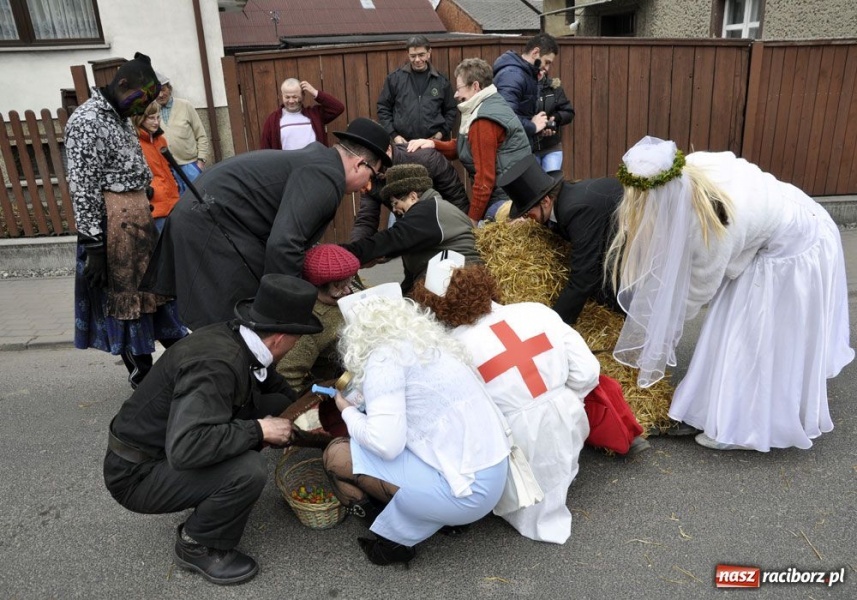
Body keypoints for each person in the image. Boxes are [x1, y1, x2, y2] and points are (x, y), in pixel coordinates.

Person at [607, 136, 854, 452]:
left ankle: (745, 427)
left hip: (796, 244)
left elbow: (692, 297)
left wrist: (656, 342)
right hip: (786, 213)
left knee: (751, 334)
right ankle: (718, 403)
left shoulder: (711, 234)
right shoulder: (691, 168)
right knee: (733, 325)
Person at [104, 274, 323, 585]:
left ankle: (209, 494)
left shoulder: (242, 338)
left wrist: (310, 414)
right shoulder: (217, 364)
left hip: (161, 449)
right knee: (248, 469)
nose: (298, 345)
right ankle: (197, 544)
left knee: (271, 403)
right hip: (136, 473)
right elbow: (187, 447)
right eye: (299, 338)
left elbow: (273, 387)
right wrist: (259, 431)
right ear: (280, 338)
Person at [410, 259, 598, 544]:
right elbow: (588, 372)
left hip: (513, 435)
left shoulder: (452, 348)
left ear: (437, 308)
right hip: (568, 418)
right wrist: (563, 400)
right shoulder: (537, 311)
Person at [142, 117, 393, 330]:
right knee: (231, 321)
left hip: (214, 217)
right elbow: (284, 244)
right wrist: (294, 310)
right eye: (371, 176)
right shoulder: (327, 176)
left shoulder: (321, 163)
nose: (367, 187)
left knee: (245, 314)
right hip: (209, 222)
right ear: (360, 163)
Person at [322, 284, 510, 566]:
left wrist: (347, 411)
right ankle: (433, 516)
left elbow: (386, 445)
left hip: (464, 493)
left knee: (336, 455)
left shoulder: (384, 356)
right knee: (378, 450)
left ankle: (391, 535)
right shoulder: (429, 344)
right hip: (491, 476)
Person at [64, 52, 186, 389]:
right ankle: (145, 385)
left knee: (157, 301)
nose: (141, 108)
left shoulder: (119, 115)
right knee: (130, 309)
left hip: (139, 222)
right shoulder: (87, 120)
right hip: (112, 231)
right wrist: (94, 246)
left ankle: (185, 373)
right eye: (139, 98)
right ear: (122, 84)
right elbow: (83, 186)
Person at [498, 153, 623, 326]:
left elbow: (583, 278)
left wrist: (553, 325)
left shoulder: (575, 210)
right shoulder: (562, 200)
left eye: (528, 212)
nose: (527, 218)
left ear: (546, 201)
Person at [408, 58, 531, 224]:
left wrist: (472, 220)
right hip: (517, 194)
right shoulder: (491, 103)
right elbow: (466, 146)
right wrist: (434, 144)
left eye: (459, 88)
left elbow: (484, 181)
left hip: (505, 201)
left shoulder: (483, 121)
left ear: (475, 86)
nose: (456, 94)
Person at [342, 164, 481, 294]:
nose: (395, 209)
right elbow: (411, 277)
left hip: (461, 285)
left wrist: (345, 253)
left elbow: (391, 239)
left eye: (396, 203)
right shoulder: (427, 216)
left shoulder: (429, 210)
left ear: (413, 197)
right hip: (448, 282)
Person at [276, 244, 360, 396]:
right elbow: (288, 376)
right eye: (338, 286)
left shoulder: (342, 296)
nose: (348, 290)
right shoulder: (314, 323)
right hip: (339, 387)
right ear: (316, 286)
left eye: (350, 280)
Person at [350, 143, 468, 242]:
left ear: (389, 150)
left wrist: (464, 234)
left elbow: (457, 198)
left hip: (446, 223)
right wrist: (355, 252)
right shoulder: (370, 176)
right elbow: (366, 219)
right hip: (411, 228)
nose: (377, 170)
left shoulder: (427, 159)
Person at [376, 35, 457, 144]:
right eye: (413, 56)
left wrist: (440, 134)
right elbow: (383, 108)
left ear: (429, 53)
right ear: (407, 54)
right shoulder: (395, 79)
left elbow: (451, 110)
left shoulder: (441, 81)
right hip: (403, 144)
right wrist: (394, 135)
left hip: (433, 144)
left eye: (421, 55)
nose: (417, 60)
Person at [493, 33, 559, 145]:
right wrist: (533, 127)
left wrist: (538, 128)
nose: (547, 68)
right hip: (511, 151)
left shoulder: (527, 76)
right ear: (535, 53)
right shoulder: (512, 75)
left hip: (519, 146)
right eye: (546, 62)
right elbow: (506, 117)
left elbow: (522, 114)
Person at [155, 72, 210, 194]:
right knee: (178, 206)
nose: (160, 95)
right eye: (156, 91)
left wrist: (200, 162)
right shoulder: (152, 111)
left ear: (169, 89)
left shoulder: (185, 105)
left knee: (198, 199)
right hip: (167, 170)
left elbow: (201, 135)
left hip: (191, 166)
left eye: (163, 90)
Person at [131, 101, 181, 232]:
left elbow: (168, 168)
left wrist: (175, 183)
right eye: (151, 118)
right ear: (140, 119)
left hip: (173, 200)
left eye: (158, 117)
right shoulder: (135, 144)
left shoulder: (161, 140)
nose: (156, 122)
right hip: (156, 205)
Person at [259, 78, 345, 150]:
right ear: (282, 96)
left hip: (314, 167)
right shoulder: (273, 120)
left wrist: (314, 92)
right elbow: (265, 149)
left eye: (295, 97)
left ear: (303, 95)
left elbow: (338, 108)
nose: (291, 101)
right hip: (288, 169)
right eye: (287, 97)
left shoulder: (315, 115)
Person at [534, 71, 574, 172]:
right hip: (529, 150)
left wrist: (555, 118)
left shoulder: (555, 87)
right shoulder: (522, 87)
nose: (540, 71)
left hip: (552, 147)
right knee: (533, 187)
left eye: (543, 67)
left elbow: (568, 112)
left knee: (553, 185)